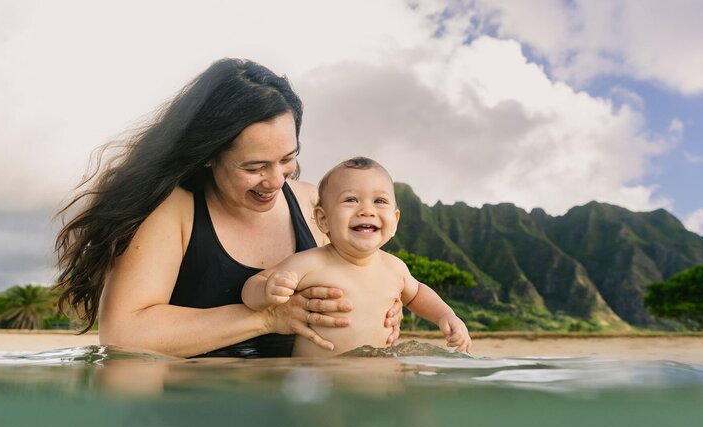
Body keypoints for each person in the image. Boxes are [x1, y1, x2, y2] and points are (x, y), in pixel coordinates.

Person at [55, 59, 401, 358]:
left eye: (288, 159)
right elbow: (124, 333)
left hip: (296, 412)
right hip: (190, 414)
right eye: (253, 168)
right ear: (208, 156)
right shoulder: (172, 210)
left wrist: (376, 308)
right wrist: (267, 319)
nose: (275, 181)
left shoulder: (313, 202)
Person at [242, 157, 472, 357]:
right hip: (320, 382)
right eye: (351, 199)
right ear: (323, 219)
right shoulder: (310, 263)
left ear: (395, 220)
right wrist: (266, 291)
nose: (366, 210)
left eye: (379, 201)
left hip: (379, 380)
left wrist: (445, 315)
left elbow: (418, 293)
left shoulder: (395, 268)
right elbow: (254, 284)